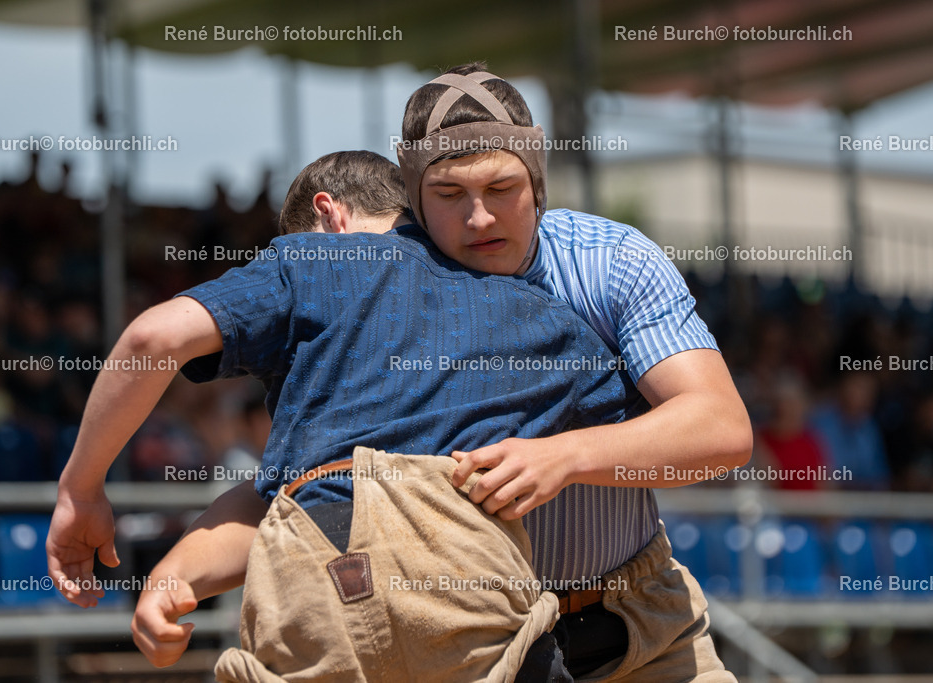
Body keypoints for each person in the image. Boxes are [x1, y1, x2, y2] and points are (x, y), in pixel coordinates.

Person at [52, 149, 648, 681]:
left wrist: (82, 492)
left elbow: (153, 339)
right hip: (462, 575)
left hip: (315, 578)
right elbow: (670, 427)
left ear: (328, 215)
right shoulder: (524, 307)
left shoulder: (312, 263)